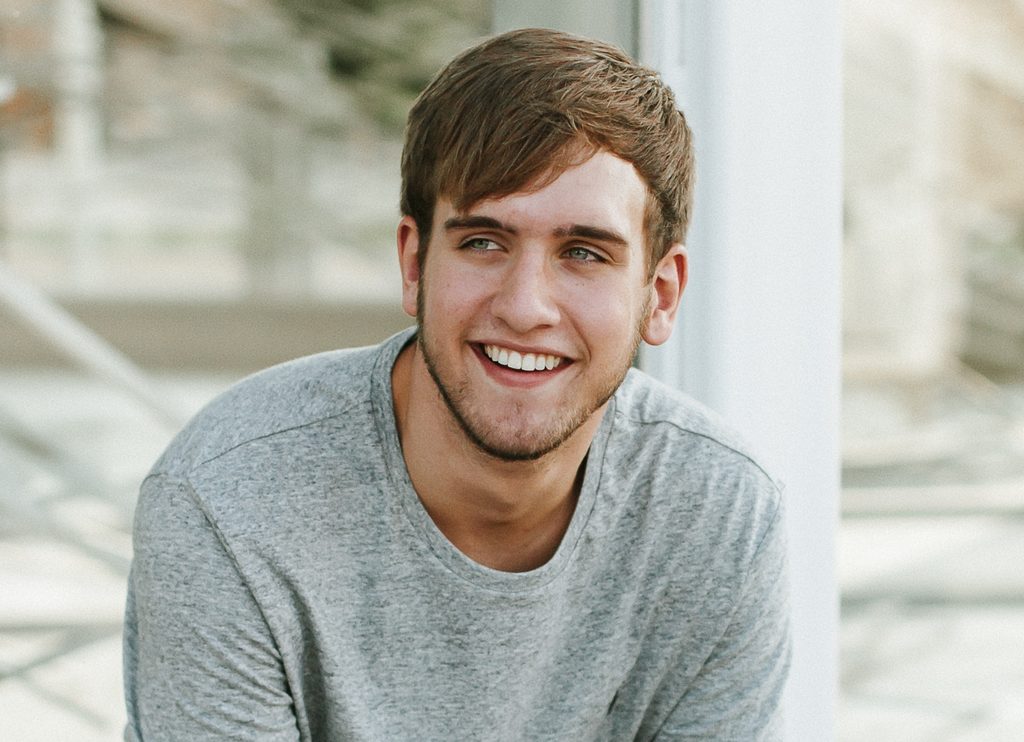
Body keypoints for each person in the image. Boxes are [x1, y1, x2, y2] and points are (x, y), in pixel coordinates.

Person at [123, 27, 790, 741]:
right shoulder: (230, 500)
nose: (525, 307)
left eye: (584, 254)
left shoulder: (717, 511)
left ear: (660, 295)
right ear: (414, 264)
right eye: (483, 242)